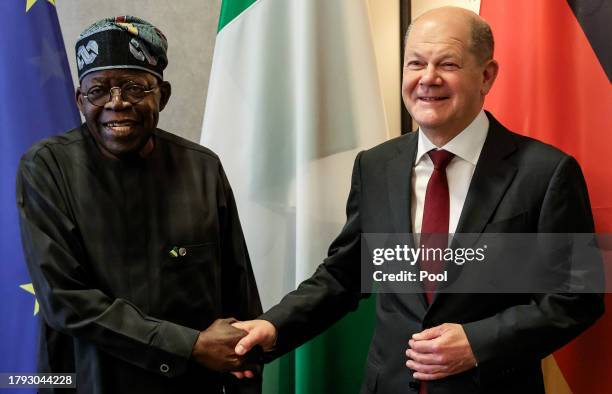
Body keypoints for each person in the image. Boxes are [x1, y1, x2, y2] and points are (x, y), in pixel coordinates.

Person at [228, 7, 604, 394]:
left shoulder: (546, 172)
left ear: (487, 76)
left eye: (448, 64)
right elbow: (345, 273)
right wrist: (273, 325)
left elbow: (577, 297)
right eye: (416, 63)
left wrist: (478, 342)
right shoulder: (375, 166)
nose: (428, 78)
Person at [17, 16, 262, 394]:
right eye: (99, 90)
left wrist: (244, 363)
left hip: (191, 386)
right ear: (80, 100)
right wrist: (190, 346)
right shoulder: (47, 167)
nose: (117, 104)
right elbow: (65, 299)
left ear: (162, 94)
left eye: (134, 87)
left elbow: (239, 293)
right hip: (89, 380)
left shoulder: (203, 168)